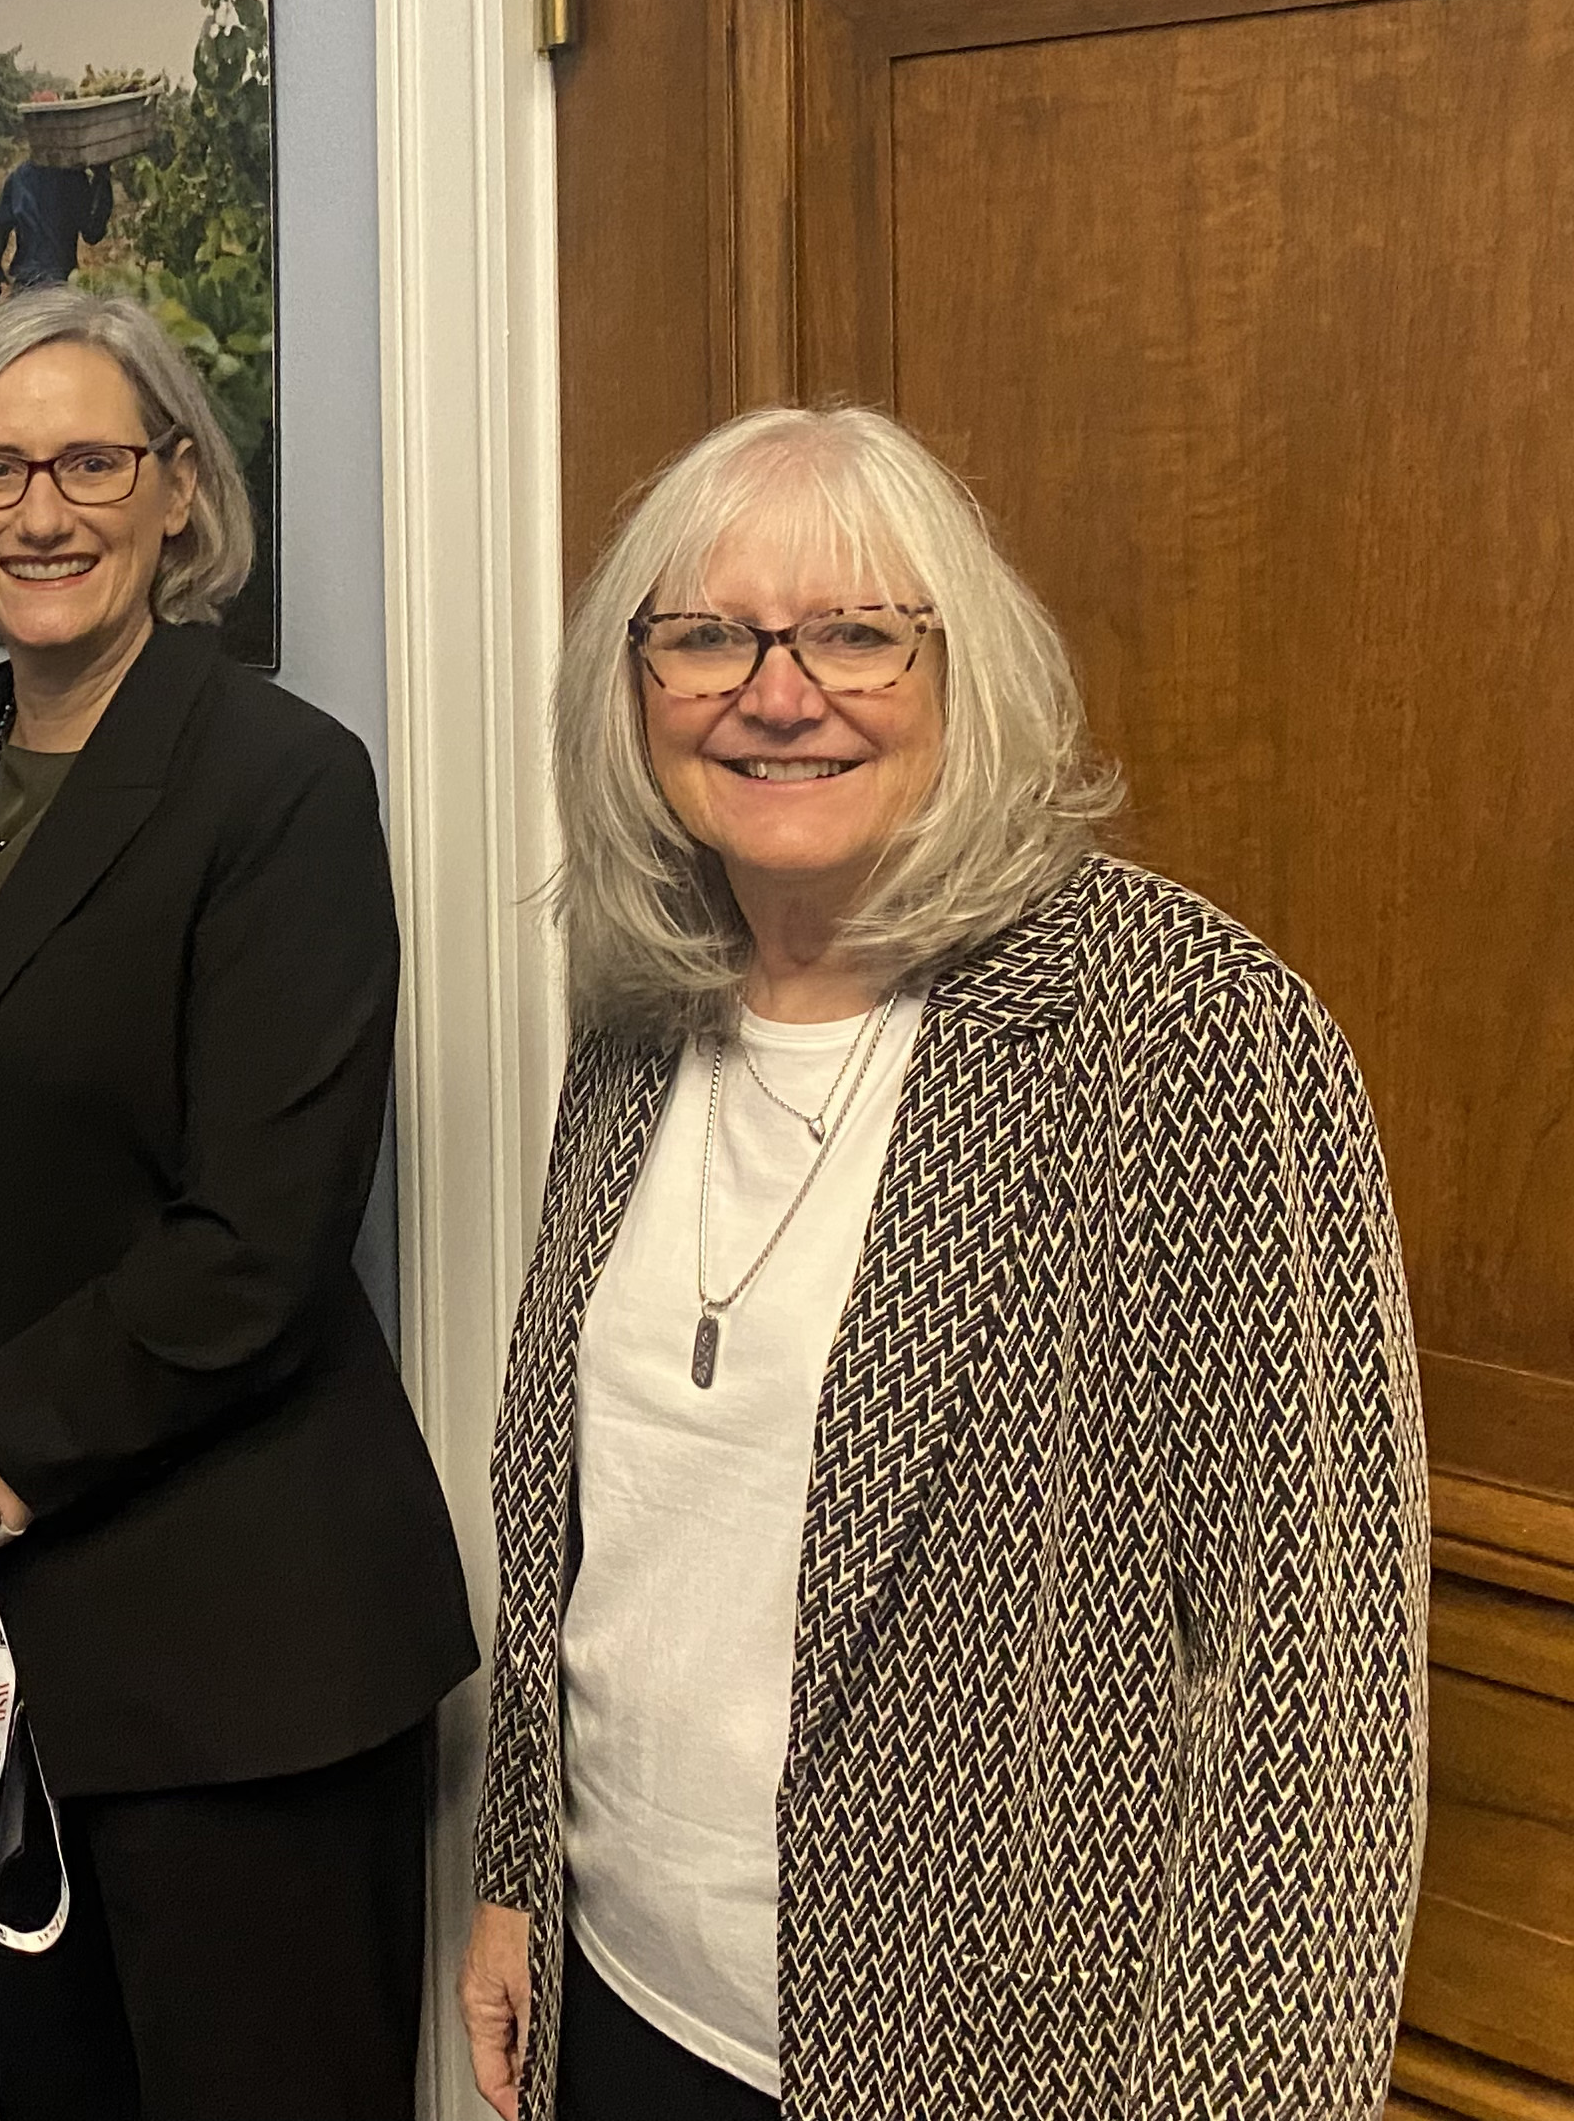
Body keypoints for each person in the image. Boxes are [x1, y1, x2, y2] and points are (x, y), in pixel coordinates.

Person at [459, 406, 1427, 2121]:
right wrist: (519, 1869)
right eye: (705, 634)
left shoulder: (1184, 1029)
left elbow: (1307, 1683)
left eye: (853, 631)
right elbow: (589, 1540)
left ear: (957, 671)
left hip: (985, 2052)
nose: (777, 688)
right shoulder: (636, 1018)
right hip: (616, 1999)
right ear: (633, 688)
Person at [0, 287, 472, 2121]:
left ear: (178, 489)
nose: (42, 507)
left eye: (92, 458)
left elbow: (254, 1241)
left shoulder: (279, 781)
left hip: (239, 1647)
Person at [0, 153, 113, 297]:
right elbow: (93, 234)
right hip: (60, 282)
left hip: (27, 281)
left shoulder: (20, 177)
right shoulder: (74, 179)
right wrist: (102, 179)